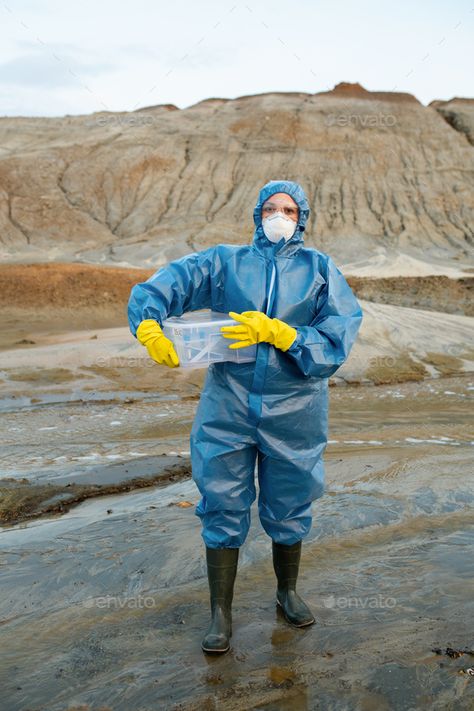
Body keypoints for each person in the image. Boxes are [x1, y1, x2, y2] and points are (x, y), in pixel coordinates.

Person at [127, 179, 363, 654]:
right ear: (257, 215)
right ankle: (221, 612)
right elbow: (162, 287)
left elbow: (336, 341)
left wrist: (282, 334)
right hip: (228, 404)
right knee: (222, 499)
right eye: (272, 208)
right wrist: (149, 327)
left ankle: (287, 591)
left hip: (296, 405)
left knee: (290, 498)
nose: (280, 216)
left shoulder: (320, 270)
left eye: (290, 210)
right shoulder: (223, 262)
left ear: (303, 218)